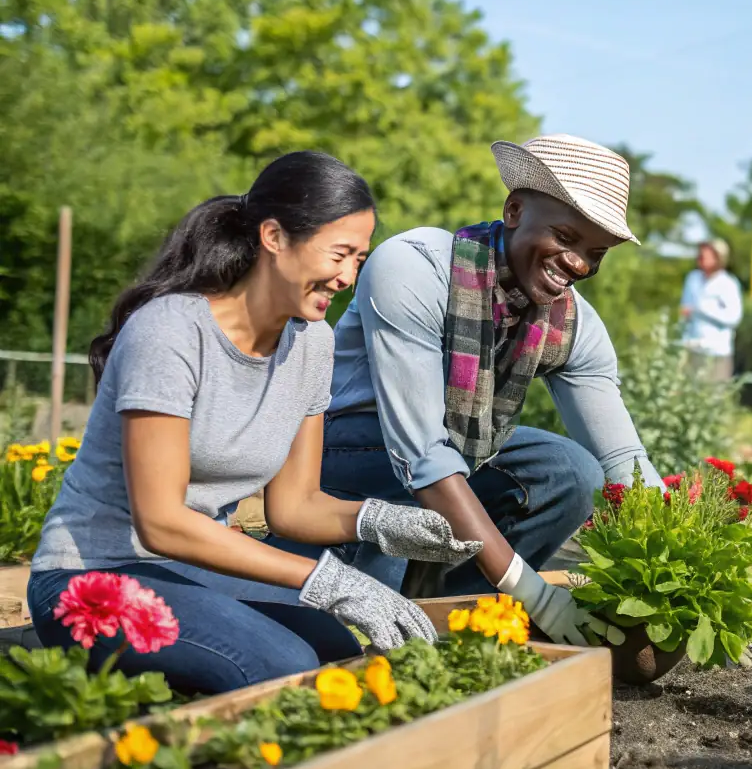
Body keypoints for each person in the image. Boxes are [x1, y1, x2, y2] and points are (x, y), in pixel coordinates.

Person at [28, 152, 475, 694]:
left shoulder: (313, 344)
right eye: (340, 254)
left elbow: (294, 507)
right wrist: (326, 579)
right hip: (90, 576)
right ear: (273, 237)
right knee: (285, 668)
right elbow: (161, 523)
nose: (348, 277)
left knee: (334, 649)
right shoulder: (171, 332)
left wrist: (384, 522)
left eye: (360, 258)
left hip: (185, 569)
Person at [276, 134, 663, 646]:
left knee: (570, 472)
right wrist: (534, 592)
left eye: (595, 254)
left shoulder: (571, 326)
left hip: (454, 456)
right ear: (515, 209)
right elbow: (419, 455)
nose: (579, 265)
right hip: (345, 454)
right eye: (566, 237)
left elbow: (621, 457)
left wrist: (683, 560)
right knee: (344, 643)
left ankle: (453, 611)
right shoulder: (415, 268)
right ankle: (388, 593)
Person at [679, 238, 744, 382]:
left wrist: (703, 309)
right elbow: (685, 310)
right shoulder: (692, 279)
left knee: (713, 397)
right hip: (693, 348)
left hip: (716, 352)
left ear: (719, 258)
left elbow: (734, 317)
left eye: (706, 255)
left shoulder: (728, 283)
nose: (701, 258)